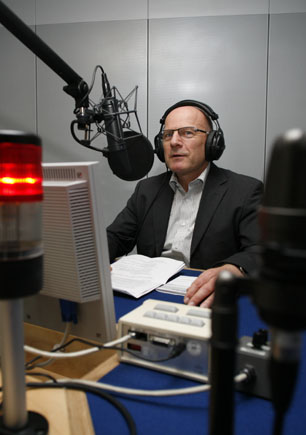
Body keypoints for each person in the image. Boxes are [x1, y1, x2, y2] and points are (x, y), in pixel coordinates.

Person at [106, 100, 263, 308]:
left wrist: (234, 269)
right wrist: (92, 258)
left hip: (206, 301)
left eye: (187, 133)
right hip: (148, 298)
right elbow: (115, 237)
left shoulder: (245, 191)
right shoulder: (147, 190)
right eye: (167, 135)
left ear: (212, 142)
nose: (174, 142)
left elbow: (260, 250)